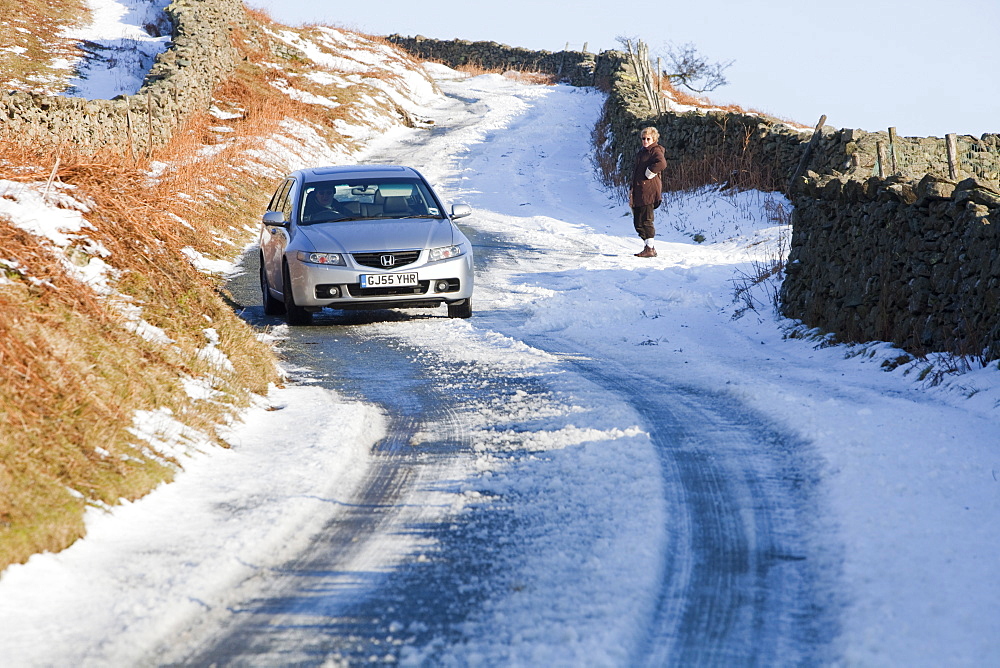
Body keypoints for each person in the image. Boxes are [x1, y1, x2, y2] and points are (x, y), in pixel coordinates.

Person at [629, 127, 667, 258]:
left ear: (654, 139)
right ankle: (649, 247)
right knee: (638, 222)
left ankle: (650, 248)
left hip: (649, 191)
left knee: (646, 220)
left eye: (648, 139)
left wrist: (650, 171)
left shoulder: (655, 150)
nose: (645, 141)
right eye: (643, 138)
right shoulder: (642, 152)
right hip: (639, 191)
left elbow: (662, 163)